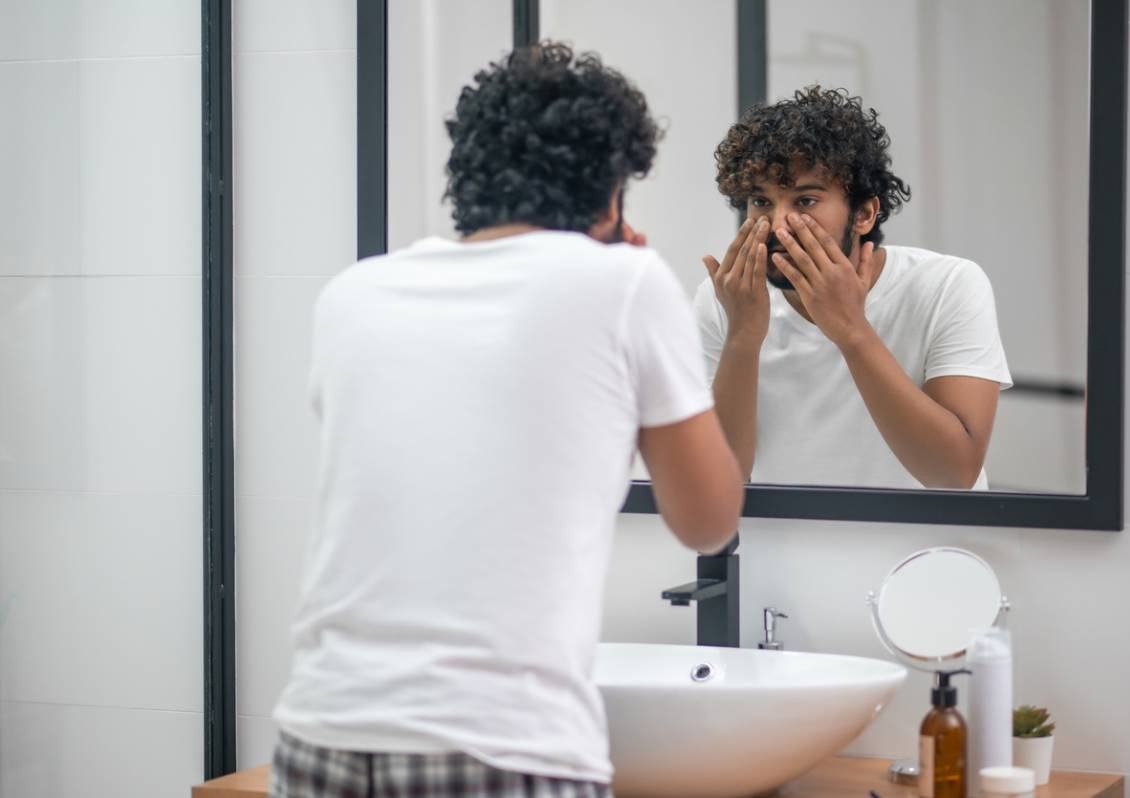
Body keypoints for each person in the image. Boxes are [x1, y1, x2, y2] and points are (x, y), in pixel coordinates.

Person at [268, 43, 743, 798]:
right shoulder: (625, 282)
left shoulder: (352, 295)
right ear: (610, 191)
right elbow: (708, 521)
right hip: (503, 744)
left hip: (321, 736)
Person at [696, 86, 1012, 489]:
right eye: (760, 201)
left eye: (805, 201)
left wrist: (850, 329)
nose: (776, 225)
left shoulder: (947, 285)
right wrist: (742, 335)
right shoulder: (725, 300)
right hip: (784, 547)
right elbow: (717, 482)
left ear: (864, 213)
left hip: (927, 547)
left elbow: (954, 475)